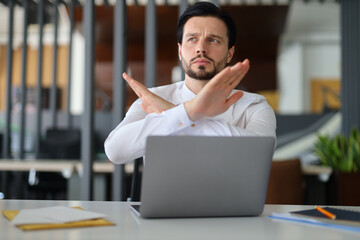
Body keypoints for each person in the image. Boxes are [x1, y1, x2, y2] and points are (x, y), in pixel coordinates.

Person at [104, 2, 276, 164]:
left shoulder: (253, 106)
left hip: (230, 197)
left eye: (213, 40)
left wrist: (170, 112)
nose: (201, 48)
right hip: (166, 197)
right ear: (180, 51)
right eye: (192, 39)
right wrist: (191, 111)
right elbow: (115, 151)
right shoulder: (152, 98)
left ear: (229, 53)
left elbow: (260, 154)